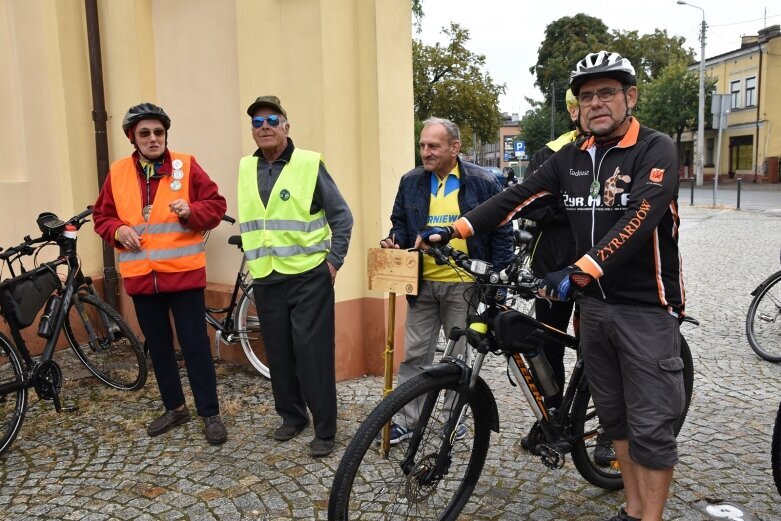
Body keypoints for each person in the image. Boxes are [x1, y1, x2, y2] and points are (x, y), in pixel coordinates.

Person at [419, 51, 685, 521]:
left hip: (646, 308)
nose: (596, 103)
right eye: (587, 96)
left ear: (630, 97)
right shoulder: (571, 157)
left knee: (650, 427)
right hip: (595, 311)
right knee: (617, 419)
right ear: (577, 106)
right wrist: (453, 230)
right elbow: (512, 199)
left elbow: (640, 217)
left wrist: (581, 268)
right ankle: (632, 508)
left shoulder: (655, 147)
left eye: (607, 92)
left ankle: (651, 517)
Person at [93, 102, 228, 445]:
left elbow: (216, 206)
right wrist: (117, 231)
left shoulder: (185, 165)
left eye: (158, 132)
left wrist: (192, 212)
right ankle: (175, 407)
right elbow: (102, 217)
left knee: (195, 346)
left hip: (183, 277)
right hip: (142, 277)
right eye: (145, 133)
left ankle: (210, 414)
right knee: (160, 348)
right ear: (132, 138)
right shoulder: (119, 172)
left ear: (166, 134)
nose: (153, 138)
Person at [379, 117, 513, 444]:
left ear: (454, 148)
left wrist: (498, 284)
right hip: (421, 283)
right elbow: (399, 222)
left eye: (433, 146)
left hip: (464, 285)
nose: (425, 152)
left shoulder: (481, 182)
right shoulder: (411, 181)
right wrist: (395, 239)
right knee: (415, 355)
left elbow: (501, 231)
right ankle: (408, 422)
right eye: (423, 145)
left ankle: (455, 418)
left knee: (458, 357)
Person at [237, 95, 353, 458]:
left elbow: (341, 217)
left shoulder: (308, 164)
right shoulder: (245, 168)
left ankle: (325, 428)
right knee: (279, 352)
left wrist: (333, 261)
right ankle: (292, 416)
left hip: (308, 277)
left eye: (272, 119)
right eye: (257, 122)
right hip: (267, 276)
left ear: (286, 126)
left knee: (311, 352)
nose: (264, 126)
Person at [518, 88, 580, 451]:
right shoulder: (549, 153)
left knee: (598, 348)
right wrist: (570, 208)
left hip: (598, 265)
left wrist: (561, 205)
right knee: (548, 344)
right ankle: (551, 420)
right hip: (551, 263)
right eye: (579, 103)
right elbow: (530, 203)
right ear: (572, 110)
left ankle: (605, 433)